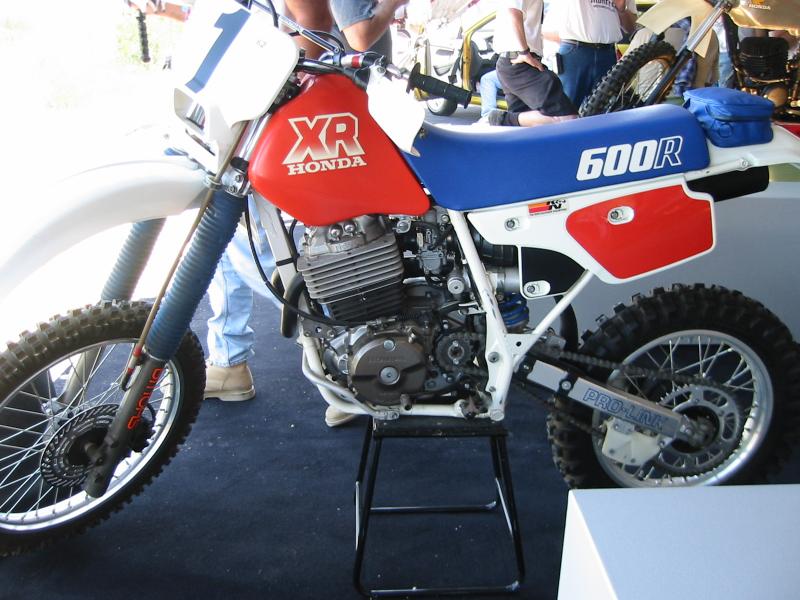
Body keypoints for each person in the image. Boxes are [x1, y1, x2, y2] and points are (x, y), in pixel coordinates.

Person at [205, 0, 402, 428]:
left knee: (309, 241)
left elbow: (330, 26)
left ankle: (349, 354)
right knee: (249, 233)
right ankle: (233, 358)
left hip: (314, 104)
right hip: (314, 102)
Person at [482, 0, 578, 127]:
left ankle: (505, 120)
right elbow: (512, 12)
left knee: (526, 127)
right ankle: (500, 119)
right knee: (568, 118)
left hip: (518, 61)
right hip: (519, 61)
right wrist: (524, 52)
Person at [542, 0, 637, 108]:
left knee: (607, 109)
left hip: (607, 54)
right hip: (575, 52)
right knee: (567, 109)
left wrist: (621, 10)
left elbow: (631, 27)